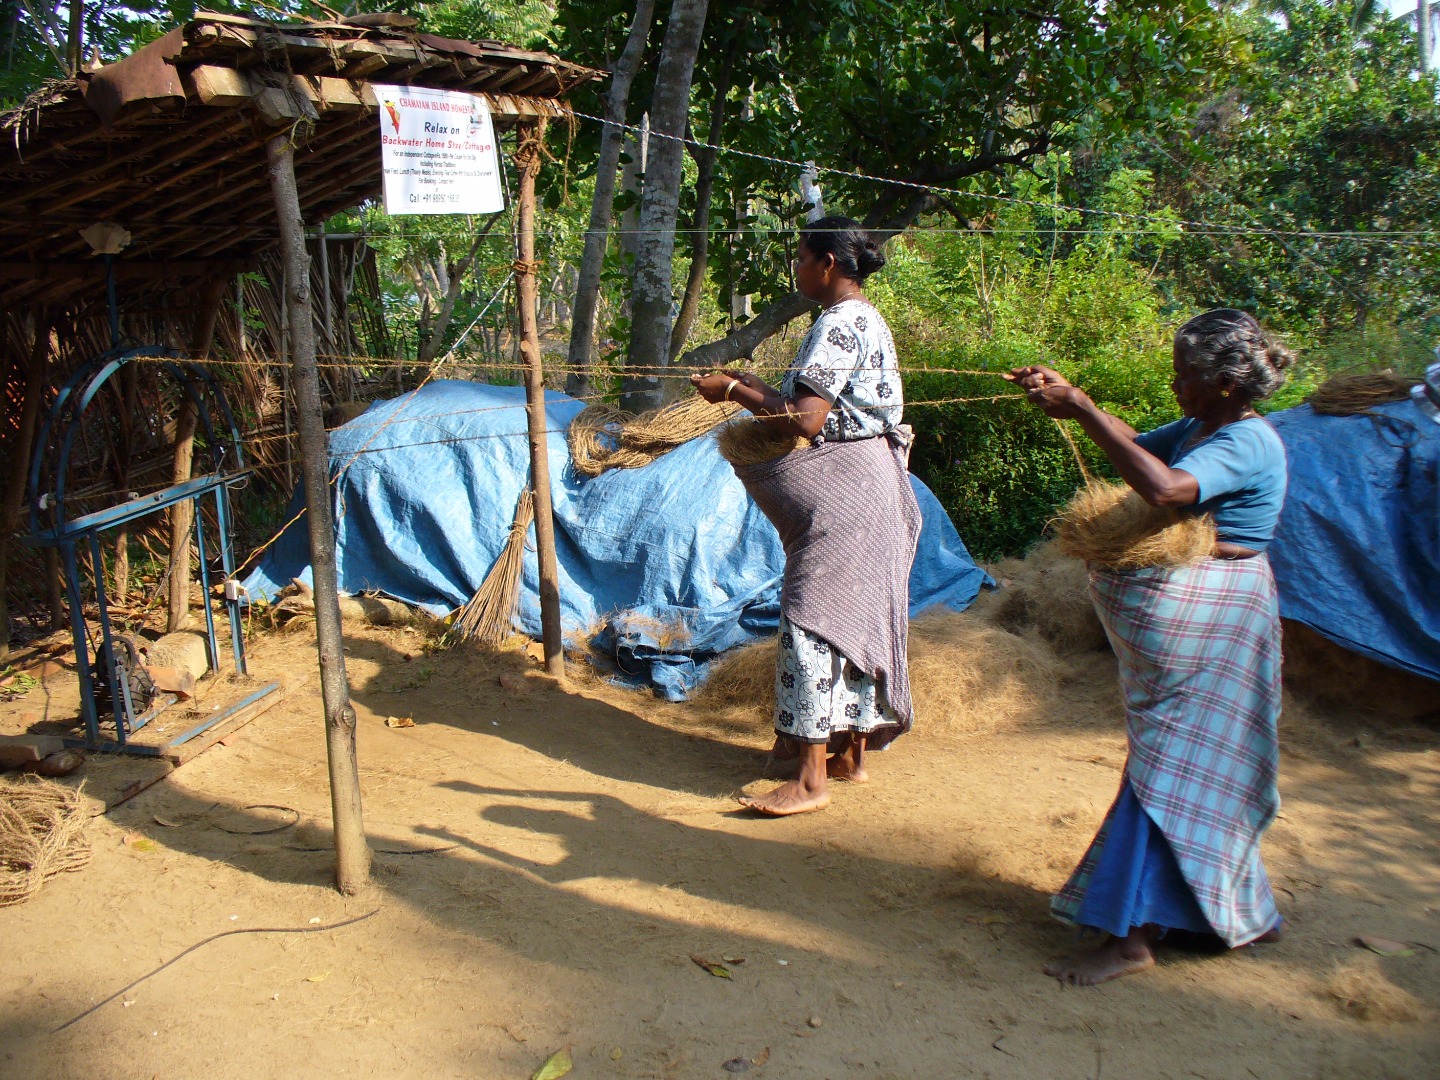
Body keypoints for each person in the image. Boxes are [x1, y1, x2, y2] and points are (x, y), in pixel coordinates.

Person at [1009, 308, 1292, 984]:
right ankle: (1223, 911)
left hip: (1217, 625)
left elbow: (1164, 489)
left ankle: (1131, 937)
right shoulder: (1205, 426)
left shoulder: (1247, 442)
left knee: (1171, 770)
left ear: (1226, 382)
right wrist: (1077, 406)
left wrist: (1081, 405)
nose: (1176, 386)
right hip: (1202, 627)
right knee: (1197, 768)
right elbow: (1142, 447)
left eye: (1186, 375)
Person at [691, 216, 921, 816]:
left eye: (800, 259)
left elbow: (807, 420)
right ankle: (848, 755)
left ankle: (811, 781)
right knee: (852, 623)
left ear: (828, 265)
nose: (796, 270)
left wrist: (735, 392)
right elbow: (819, 404)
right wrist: (751, 383)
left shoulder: (840, 324)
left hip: (850, 496)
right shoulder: (864, 319)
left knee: (811, 621)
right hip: (873, 489)